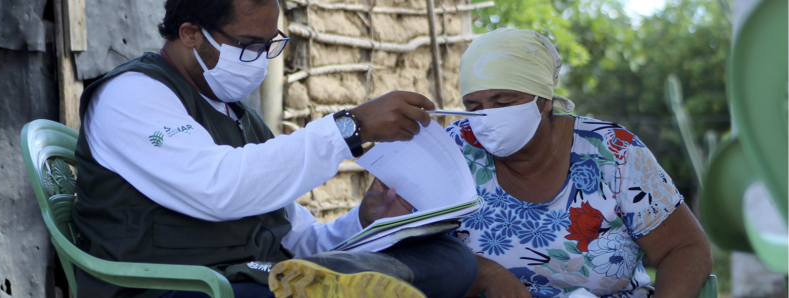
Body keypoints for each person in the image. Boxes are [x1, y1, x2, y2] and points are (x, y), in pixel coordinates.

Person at [71, 0, 478, 297]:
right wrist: (350, 128)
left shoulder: (239, 117)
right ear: (191, 33)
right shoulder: (132, 95)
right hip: (178, 287)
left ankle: (345, 284)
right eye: (249, 44)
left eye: (270, 44)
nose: (262, 59)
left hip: (260, 274)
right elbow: (220, 188)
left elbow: (293, 234)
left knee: (450, 260)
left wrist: (363, 222)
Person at [446, 29, 714, 297]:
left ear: (544, 100)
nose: (488, 117)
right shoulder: (455, 149)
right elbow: (415, 245)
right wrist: (487, 275)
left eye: (503, 102)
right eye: (473, 108)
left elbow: (685, 248)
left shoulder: (613, 151)